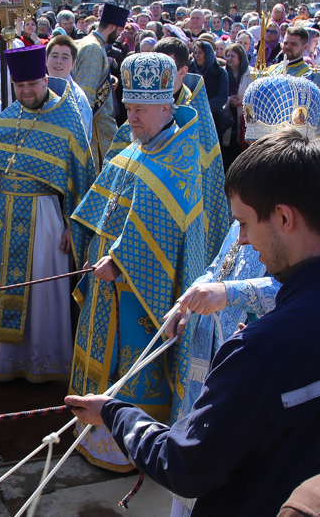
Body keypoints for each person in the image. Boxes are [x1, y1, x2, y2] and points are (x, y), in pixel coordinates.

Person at [66, 129, 320, 517]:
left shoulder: (261, 349)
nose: (244, 241)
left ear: (284, 217)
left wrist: (116, 413)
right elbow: (221, 266)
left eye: (246, 225)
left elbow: (186, 464)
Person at [161, 73, 318, 517]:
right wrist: (189, 299)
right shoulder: (259, 198)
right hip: (216, 343)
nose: (252, 151)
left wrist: (229, 293)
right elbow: (224, 259)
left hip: (264, 358)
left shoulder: (300, 210)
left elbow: (300, 293)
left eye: (262, 143)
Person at [69, 52, 207, 472]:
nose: (132, 118)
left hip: (143, 293)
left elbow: (165, 230)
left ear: (165, 106)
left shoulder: (180, 157)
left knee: (131, 359)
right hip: (105, 283)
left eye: (140, 110)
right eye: (128, 108)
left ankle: (133, 439)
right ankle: (95, 426)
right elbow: (102, 204)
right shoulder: (134, 146)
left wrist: (122, 261)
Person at [0, 45, 94, 381]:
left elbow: (84, 179)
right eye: (20, 86)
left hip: (44, 217)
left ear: (45, 79)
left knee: (41, 288)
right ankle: (0, 360)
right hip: (3, 216)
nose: (27, 91)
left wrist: (75, 225)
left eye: (32, 83)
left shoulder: (69, 118)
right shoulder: (11, 114)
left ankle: (39, 364)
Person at [107, 37, 230, 266]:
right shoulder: (140, 112)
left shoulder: (193, 121)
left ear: (182, 71)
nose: (153, 79)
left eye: (166, 72)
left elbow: (203, 178)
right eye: (129, 110)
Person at [73, 3, 129, 170]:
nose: (119, 36)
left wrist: (107, 79)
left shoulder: (87, 42)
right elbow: (86, 92)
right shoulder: (94, 48)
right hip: (96, 131)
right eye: (119, 31)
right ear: (112, 26)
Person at [45, 34, 93, 142]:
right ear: (46, 60)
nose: (59, 61)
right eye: (55, 56)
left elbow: (81, 141)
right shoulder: (38, 89)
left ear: (73, 64)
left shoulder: (78, 98)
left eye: (65, 57)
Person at [222, 43, 251, 169]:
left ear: (240, 58)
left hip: (243, 121)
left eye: (232, 56)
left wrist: (243, 101)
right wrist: (229, 100)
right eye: (227, 56)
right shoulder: (223, 73)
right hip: (227, 120)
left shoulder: (250, 74)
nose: (229, 59)